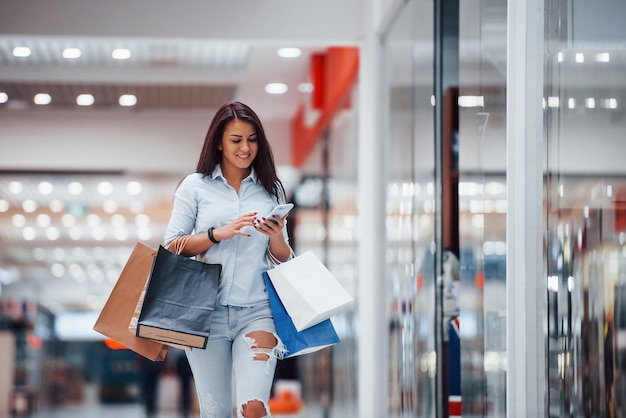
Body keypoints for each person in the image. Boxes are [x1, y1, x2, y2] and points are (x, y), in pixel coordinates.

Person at [164, 101, 293, 418]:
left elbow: (283, 257)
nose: (246, 148)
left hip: (258, 311)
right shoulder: (195, 187)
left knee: (254, 409)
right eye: (236, 140)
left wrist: (276, 234)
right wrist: (216, 234)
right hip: (205, 315)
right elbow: (171, 246)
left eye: (252, 139)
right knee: (216, 411)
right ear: (219, 142)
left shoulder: (271, 189)